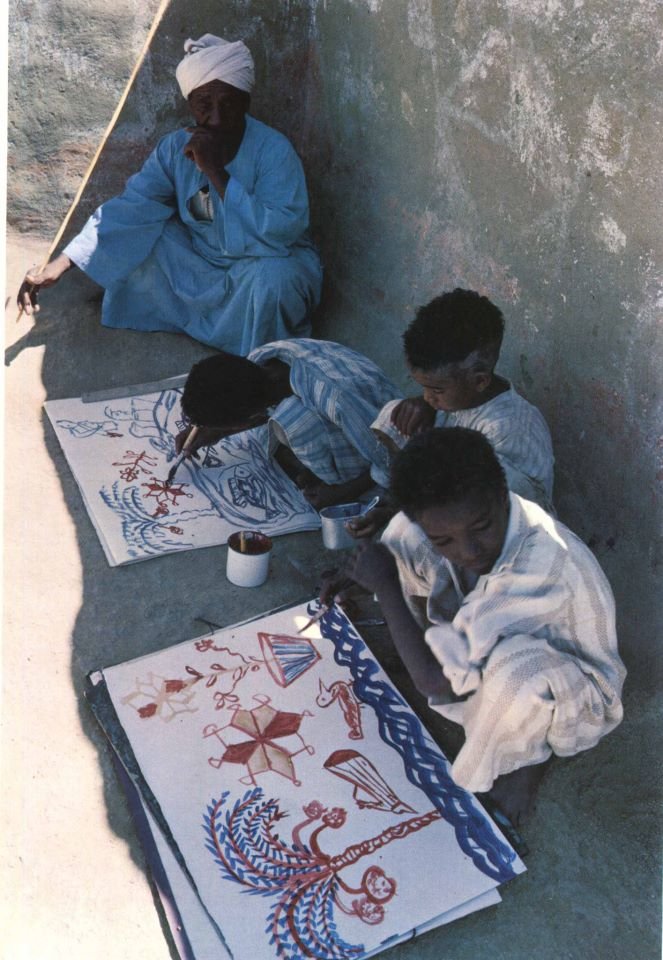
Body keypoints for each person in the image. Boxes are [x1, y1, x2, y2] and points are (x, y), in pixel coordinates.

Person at [329, 428, 625, 824]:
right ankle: (430, 647)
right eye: (445, 540)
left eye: (482, 527)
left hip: (575, 693)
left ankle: (526, 760)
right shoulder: (472, 526)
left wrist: (384, 584)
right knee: (403, 534)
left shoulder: (539, 567)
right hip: (494, 623)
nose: (468, 551)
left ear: (503, 496)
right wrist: (360, 572)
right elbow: (414, 535)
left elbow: (436, 683)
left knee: (517, 669)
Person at [17, 34, 322, 353]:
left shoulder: (274, 151)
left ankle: (260, 351)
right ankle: (219, 323)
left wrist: (215, 171)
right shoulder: (175, 148)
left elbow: (282, 231)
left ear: (246, 102)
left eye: (228, 104)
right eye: (204, 105)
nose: (216, 118)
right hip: (202, 261)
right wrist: (62, 264)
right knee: (144, 238)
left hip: (258, 266)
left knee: (276, 280)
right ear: (190, 104)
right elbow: (133, 208)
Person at [349, 288, 554, 538]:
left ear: (479, 381)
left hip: (506, 531)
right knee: (397, 416)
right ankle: (398, 505)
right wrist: (392, 511)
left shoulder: (511, 430)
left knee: (412, 535)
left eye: (436, 389)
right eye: (423, 387)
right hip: (455, 504)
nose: (427, 397)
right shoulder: (457, 398)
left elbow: (505, 510)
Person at [175, 338, 398, 509]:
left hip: (384, 430)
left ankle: (336, 475)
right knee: (278, 428)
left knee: (295, 425)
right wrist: (218, 430)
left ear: (252, 416)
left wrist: (341, 493)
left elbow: (393, 456)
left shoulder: (337, 400)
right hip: (351, 408)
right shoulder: (262, 361)